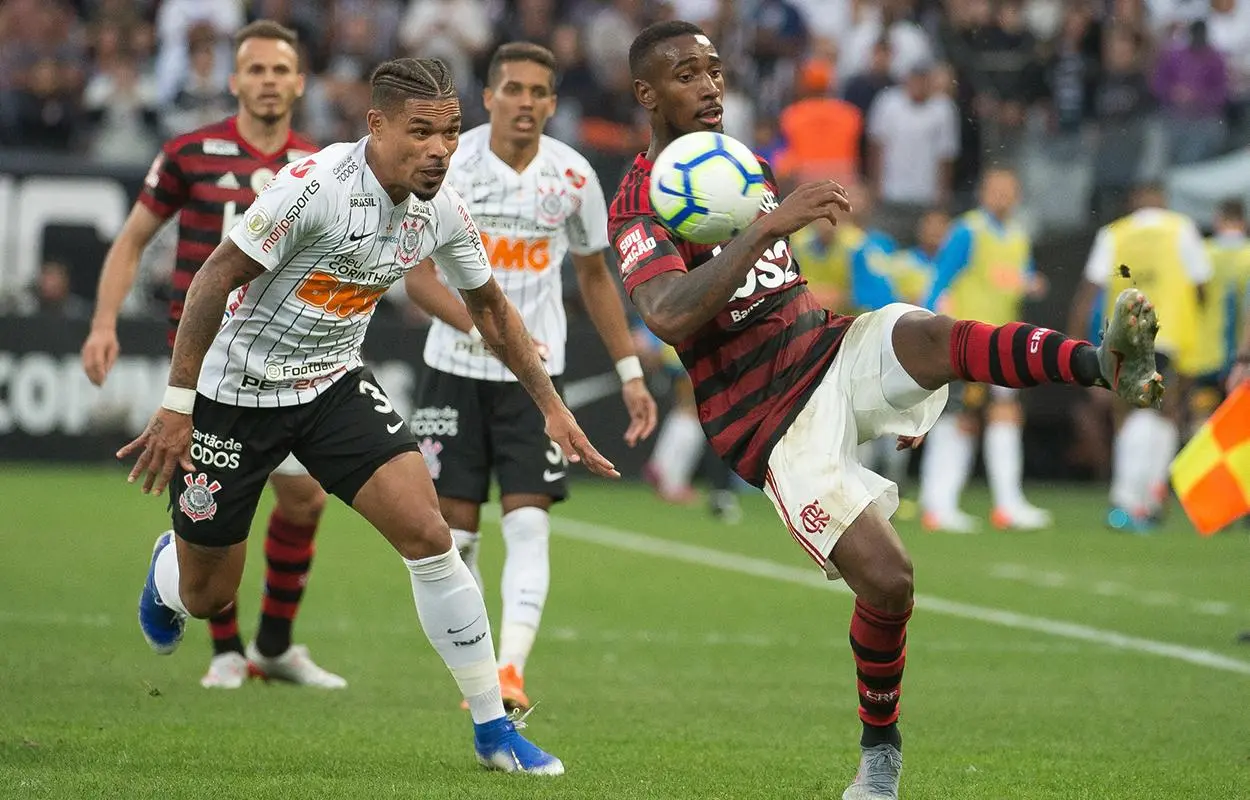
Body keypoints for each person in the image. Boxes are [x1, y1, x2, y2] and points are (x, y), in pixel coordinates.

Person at [611, 21, 1163, 800]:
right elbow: (669, 312)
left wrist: (883, 388)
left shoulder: (743, 164)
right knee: (890, 580)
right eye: (685, 75)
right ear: (646, 94)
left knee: (933, 335)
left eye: (714, 69)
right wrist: (767, 225)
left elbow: (776, 286)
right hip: (770, 422)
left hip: (829, 350)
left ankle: (1101, 364)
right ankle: (880, 753)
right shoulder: (637, 202)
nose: (708, 86)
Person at [120, 57, 619, 775]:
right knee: (207, 595)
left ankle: (493, 728)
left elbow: (491, 309)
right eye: (421, 132)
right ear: (376, 125)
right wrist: (178, 403)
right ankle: (169, 567)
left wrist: (551, 406)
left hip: (332, 385)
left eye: (450, 132)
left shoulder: (441, 208)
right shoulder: (315, 187)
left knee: (430, 535)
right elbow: (213, 278)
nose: (440, 150)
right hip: (237, 395)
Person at [80, 20, 344, 690]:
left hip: (284, 358)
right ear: (234, 81)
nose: (268, 81)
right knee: (218, 510)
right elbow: (132, 240)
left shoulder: (322, 165)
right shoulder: (190, 152)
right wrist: (104, 322)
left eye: (280, 70)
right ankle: (225, 649)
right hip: (206, 361)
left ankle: (274, 646)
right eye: (255, 69)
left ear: (299, 82)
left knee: (305, 498)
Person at [402, 42, 658, 711]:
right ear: (488, 98)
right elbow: (417, 277)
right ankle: (476, 668)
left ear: (552, 102)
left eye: (538, 91)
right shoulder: (450, 165)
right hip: (453, 369)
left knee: (529, 524)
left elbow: (595, 276)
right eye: (512, 89)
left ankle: (510, 669)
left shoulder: (572, 176)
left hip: (538, 381)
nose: (525, 101)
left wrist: (630, 370)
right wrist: (478, 331)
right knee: (453, 535)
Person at [1069, 183, 1209, 533]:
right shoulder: (1181, 229)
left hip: (1124, 334)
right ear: (1163, 200)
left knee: (1134, 411)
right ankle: (1132, 500)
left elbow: (1088, 292)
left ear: (1133, 202)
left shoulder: (1114, 234)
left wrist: (1075, 346)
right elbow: (1202, 285)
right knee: (1161, 411)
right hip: (1168, 333)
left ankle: (1143, 499)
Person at [919, 168, 1051, 533]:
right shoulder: (967, 230)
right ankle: (938, 503)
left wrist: (1031, 283)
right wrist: (929, 325)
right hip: (968, 339)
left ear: (1018, 195)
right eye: (995, 190)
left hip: (1004, 341)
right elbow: (940, 277)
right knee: (960, 418)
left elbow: (1018, 277)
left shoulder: (1019, 236)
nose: (1002, 197)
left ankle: (1008, 503)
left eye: (1008, 190)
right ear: (982, 193)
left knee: (1005, 415)